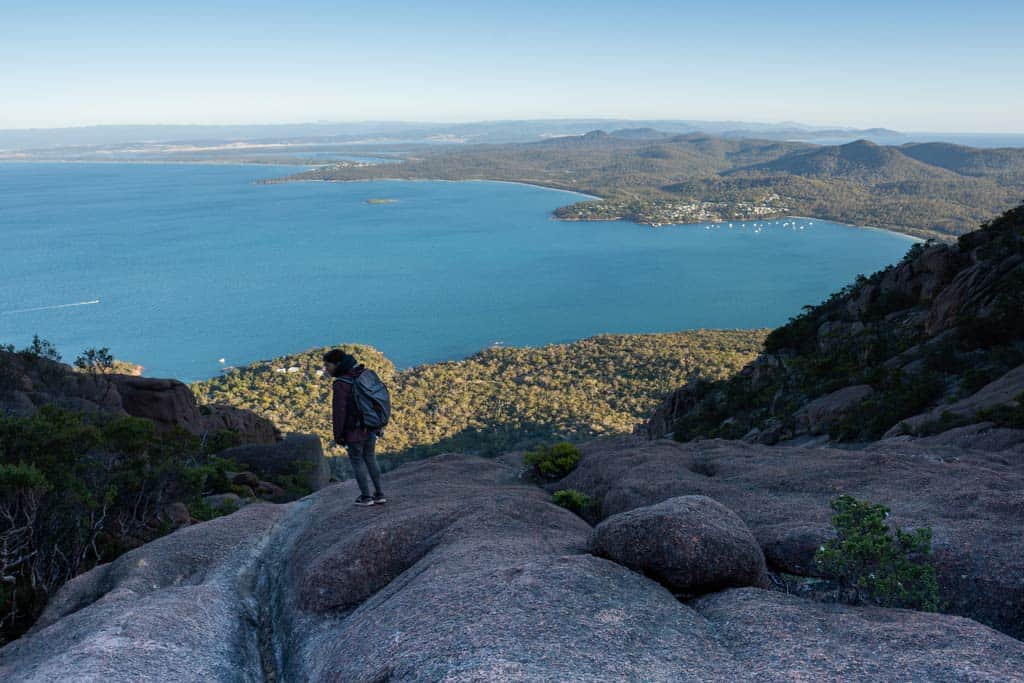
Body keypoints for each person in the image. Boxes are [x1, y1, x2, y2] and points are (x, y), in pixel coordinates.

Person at [323, 349, 386, 506]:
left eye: (328, 365)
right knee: (370, 458)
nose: (326, 369)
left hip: (354, 431)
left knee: (357, 461)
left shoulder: (341, 384)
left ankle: (366, 497)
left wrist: (339, 436)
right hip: (371, 426)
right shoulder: (363, 374)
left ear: (337, 364)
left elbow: (339, 413)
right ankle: (379, 494)